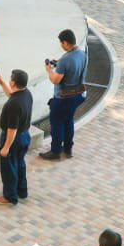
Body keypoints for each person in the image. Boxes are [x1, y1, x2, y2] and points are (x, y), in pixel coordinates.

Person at [40, 29, 88, 161]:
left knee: (56, 123)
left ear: (66, 43)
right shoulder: (82, 54)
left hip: (63, 98)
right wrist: (59, 64)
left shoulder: (66, 59)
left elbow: (55, 79)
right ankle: (68, 149)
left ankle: (55, 151)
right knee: (68, 121)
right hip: (78, 95)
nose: (61, 46)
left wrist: (49, 70)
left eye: (61, 43)